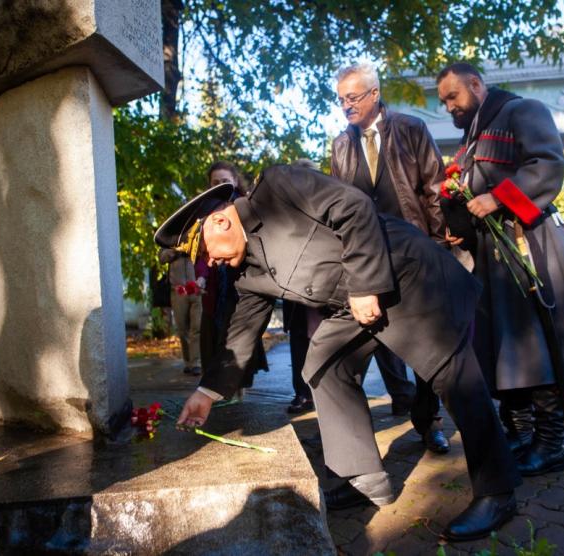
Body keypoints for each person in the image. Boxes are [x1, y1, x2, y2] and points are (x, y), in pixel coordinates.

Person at [160, 167, 521, 541]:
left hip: (404, 277)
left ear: (220, 221)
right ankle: (360, 477)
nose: (209, 263)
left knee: (454, 377)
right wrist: (208, 392)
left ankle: (497, 491)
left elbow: (354, 206)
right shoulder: (247, 272)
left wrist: (366, 284)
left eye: (205, 252)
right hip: (354, 306)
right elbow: (242, 331)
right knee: (323, 364)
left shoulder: (277, 187)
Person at [436, 62, 564, 476]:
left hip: (528, 246)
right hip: (492, 257)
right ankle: (520, 433)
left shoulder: (523, 110)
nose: (449, 108)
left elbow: (547, 165)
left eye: (453, 97)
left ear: (476, 85)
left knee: (536, 347)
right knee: (505, 350)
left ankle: (549, 445)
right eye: (443, 102)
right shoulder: (470, 138)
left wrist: (496, 199)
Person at [330, 63, 449, 453]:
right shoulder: (341, 145)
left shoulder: (411, 129)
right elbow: (338, 207)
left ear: (375, 94)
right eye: (341, 99)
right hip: (369, 260)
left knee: (426, 345)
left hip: (415, 251)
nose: (346, 105)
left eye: (353, 97)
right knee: (368, 341)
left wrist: (438, 248)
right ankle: (350, 438)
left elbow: (433, 189)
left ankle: (429, 422)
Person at [200, 162, 269, 402]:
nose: (219, 186)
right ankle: (217, 391)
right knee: (215, 339)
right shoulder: (204, 211)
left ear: (235, 181)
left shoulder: (246, 207)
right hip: (214, 288)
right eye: (215, 182)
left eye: (224, 181)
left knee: (238, 335)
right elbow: (199, 251)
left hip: (242, 286)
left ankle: (239, 394)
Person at [158, 246, 206, 374]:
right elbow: (162, 258)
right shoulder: (170, 237)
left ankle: (196, 362)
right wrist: (176, 250)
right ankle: (188, 361)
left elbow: (205, 257)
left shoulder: (196, 233)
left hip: (196, 290)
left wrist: (203, 279)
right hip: (178, 291)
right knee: (182, 328)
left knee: (197, 327)